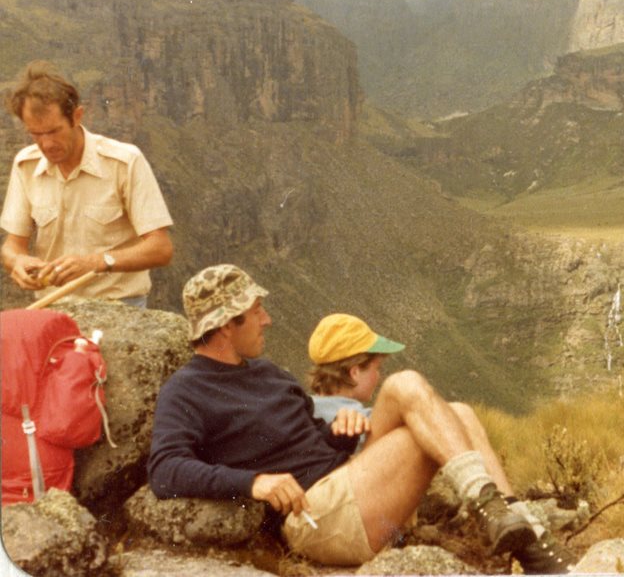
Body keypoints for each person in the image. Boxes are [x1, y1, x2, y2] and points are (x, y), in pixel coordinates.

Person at [148, 266, 571, 572]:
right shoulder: (186, 390)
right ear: (225, 325)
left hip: (350, 485)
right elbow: (164, 469)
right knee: (404, 384)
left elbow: (308, 439)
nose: (267, 319)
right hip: (317, 519)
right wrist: (254, 483)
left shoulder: (267, 372)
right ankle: (511, 525)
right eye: (256, 310)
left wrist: (335, 433)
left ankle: (523, 534)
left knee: (458, 412)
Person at [1, 61, 173, 306]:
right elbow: (12, 245)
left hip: (119, 305)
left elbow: (161, 248)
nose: (47, 144)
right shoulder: (25, 165)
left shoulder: (124, 162)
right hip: (52, 308)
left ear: (77, 116)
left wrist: (97, 262)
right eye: (36, 134)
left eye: (54, 131)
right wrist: (17, 261)